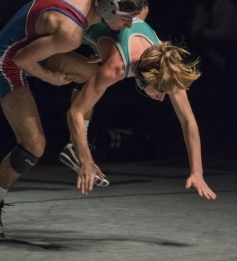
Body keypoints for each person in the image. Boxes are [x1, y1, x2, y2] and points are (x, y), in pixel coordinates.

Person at [0, 0, 148, 239]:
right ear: (109, 7)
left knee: (91, 77)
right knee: (33, 146)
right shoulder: (71, 33)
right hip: (10, 62)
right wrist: (49, 77)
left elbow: (140, 7)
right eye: (125, 20)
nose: (129, 26)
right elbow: (21, 58)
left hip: (34, 35)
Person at [60, 17, 216, 200]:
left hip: (99, 28)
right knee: (79, 79)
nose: (160, 99)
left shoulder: (165, 63)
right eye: (159, 92)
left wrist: (197, 172)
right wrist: (87, 162)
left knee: (87, 83)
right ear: (143, 78)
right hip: (68, 24)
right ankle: (76, 148)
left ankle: (75, 146)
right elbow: (74, 112)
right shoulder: (117, 66)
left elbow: (188, 120)